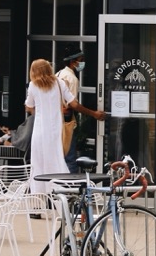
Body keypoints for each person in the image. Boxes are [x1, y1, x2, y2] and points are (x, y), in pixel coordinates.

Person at [26, 58, 105, 193]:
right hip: (56, 130)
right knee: (57, 159)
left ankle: (39, 195)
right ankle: (60, 192)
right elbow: (74, 104)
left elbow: (29, 107)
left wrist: (39, 111)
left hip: (40, 131)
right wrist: (93, 113)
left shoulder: (33, 85)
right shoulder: (59, 83)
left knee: (38, 162)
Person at [56, 49, 87, 167]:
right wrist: (94, 113)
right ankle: (70, 179)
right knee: (70, 157)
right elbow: (72, 104)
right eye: (80, 60)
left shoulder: (58, 74)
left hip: (56, 119)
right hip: (66, 120)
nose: (82, 62)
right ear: (73, 62)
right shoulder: (72, 78)